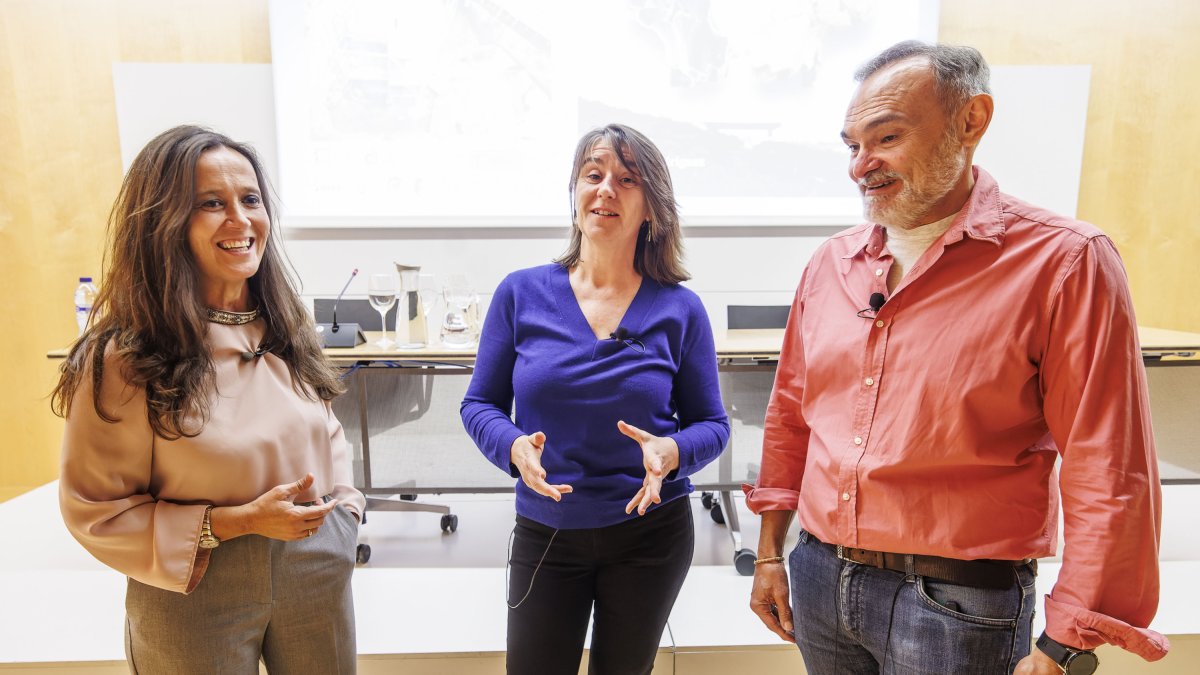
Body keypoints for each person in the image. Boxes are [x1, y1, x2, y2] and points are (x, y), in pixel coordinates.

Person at [745, 41, 1168, 674]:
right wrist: (772, 554)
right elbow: (791, 418)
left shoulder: (1065, 262)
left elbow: (1108, 467)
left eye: (886, 137)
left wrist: (1066, 640)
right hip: (818, 579)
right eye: (852, 146)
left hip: (959, 604)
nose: (862, 165)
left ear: (971, 121)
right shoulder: (831, 264)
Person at [53, 125, 365, 674]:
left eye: (250, 200)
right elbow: (94, 510)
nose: (240, 220)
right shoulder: (122, 358)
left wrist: (345, 516)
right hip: (194, 585)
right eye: (211, 204)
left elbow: (327, 430)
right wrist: (234, 522)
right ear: (164, 225)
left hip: (314, 569)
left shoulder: (288, 329)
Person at [461, 123, 730, 675]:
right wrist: (513, 446)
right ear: (575, 192)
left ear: (651, 206)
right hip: (548, 531)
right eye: (593, 174)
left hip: (651, 537)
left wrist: (672, 452)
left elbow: (712, 424)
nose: (606, 189)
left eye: (627, 179)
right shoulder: (521, 292)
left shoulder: (680, 309)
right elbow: (478, 405)